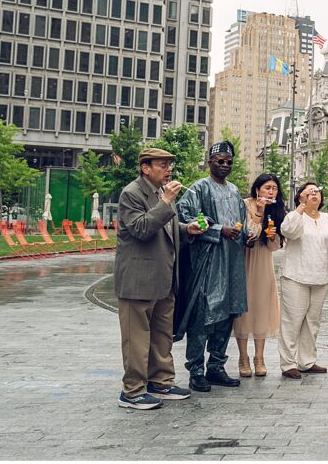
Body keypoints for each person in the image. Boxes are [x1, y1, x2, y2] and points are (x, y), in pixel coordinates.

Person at [114, 148, 197, 409]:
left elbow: (165, 229)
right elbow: (140, 228)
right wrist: (165, 204)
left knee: (162, 335)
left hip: (163, 278)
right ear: (145, 168)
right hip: (138, 280)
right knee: (137, 338)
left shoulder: (161, 193)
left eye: (170, 165)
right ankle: (132, 391)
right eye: (163, 165)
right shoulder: (132, 193)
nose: (168, 170)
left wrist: (186, 230)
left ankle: (160, 381)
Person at [174, 141, 249, 392]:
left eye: (229, 161)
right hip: (208, 261)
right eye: (220, 161)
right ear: (210, 163)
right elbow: (185, 217)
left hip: (233, 262)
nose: (225, 165)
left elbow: (241, 221)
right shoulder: (198, 189)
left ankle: (216, 366)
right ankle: (196, 369)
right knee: (203, 315)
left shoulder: (235, 190)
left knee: (228, 313)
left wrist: (247, 234)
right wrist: (217, 229)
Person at [278, 182, 328, 378]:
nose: (314, 194)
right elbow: (289, 230)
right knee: (292, 321)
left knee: (312, 322)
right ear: (300, 197)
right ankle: (288, 363)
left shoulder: (327, 219)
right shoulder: (295, 216)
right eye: (309, 192)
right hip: (295, 276)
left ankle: (307, 361)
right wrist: (301, 208)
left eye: (317, 192)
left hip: (319, 276)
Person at [233, 173, 286, 378]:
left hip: (264, 261)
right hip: (244, 260)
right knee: (244, 309)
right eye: (267, 188)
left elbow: (274, 246)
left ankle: (260, 357)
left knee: (262, 307)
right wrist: (259, 213)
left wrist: (272, 235)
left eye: (274, 188)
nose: (271, 192)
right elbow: (248, 234)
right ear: (257, 189)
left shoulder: (276, 210)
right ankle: (243, 357)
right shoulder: (244, 205)